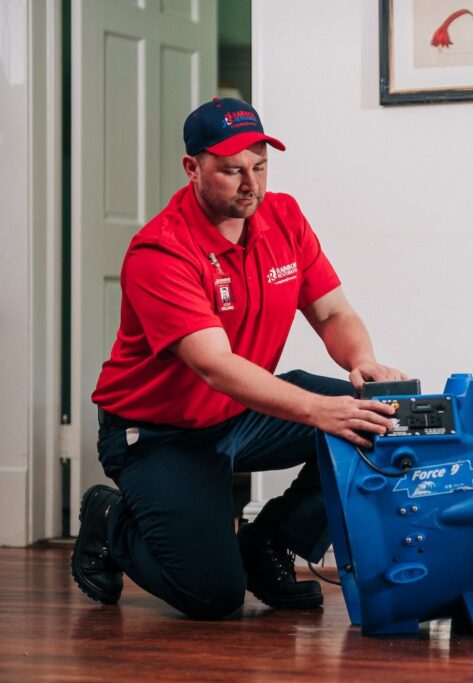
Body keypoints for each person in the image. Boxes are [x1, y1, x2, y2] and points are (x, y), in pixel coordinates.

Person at [71, 97, 407, 619]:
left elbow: (332, 311)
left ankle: (269, 542)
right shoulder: (160, 252)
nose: (250, 183)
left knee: (375, 421)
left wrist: (360, 361)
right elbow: (215, 366)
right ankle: (109, 518)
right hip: (158, 433)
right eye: (231, 171)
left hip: (239, 415)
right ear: (192, 169)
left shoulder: (285, 217)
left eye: (259, 166)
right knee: (213, 596)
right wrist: (320, 412)